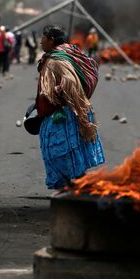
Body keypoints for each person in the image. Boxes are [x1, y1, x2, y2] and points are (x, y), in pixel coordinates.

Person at [34, 25, 105, 189]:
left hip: (65, 112)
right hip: (72, 110)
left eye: (43, 38)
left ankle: (69, 187)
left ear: (51, 40)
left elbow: (70, 82)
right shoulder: (69, 52)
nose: (40, 42)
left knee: (58, 151)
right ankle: (78, 185)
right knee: (72, 149)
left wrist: (58, 92)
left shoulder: (55, 61)